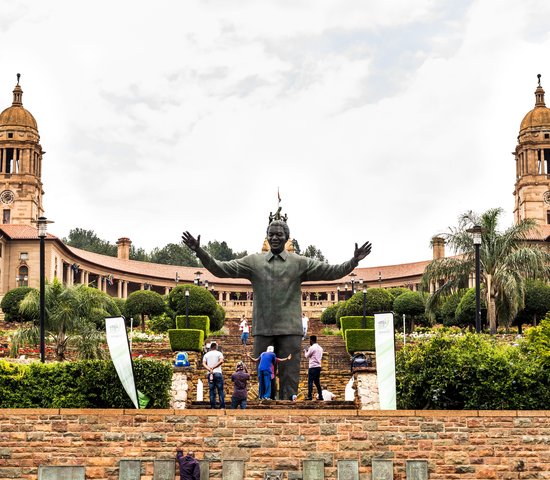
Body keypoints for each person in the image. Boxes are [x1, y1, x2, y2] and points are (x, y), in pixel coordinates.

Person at [182, 214, 371, 399]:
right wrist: (199, 251)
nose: (274, 237)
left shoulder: (299, 263)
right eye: (271, 234)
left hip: (290, 329)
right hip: (263, 328)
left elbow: (331, 272)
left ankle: (289, 411)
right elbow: (220, 269)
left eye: (279, 234)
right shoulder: (253, 262)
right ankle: (266, 406)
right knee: (264, 375)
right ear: (266, 236)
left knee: (290, 378)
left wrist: (353, 261)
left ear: (287, 238)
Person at [202, 342, 225, 409]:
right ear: (216, 347)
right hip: (218, 373)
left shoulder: (206, 354)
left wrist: (209, 369)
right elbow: (221, 361)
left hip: (210, 373)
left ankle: (213, 407)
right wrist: (214, 367)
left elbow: (203, 363)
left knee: (212, 390)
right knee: (220, 390)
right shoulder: (219, 353)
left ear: (210, 347)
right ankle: (222, 407)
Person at [304, 335, 323, 400]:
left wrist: (306, 350)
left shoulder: (312, 348)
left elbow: (306, 356)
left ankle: (309, 396)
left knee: (310, 382)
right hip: (318, 367)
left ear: (311, 340)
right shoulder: (320, 348)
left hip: (312, 367)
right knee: (317, 382)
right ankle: (320, 396)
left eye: (310, 340)